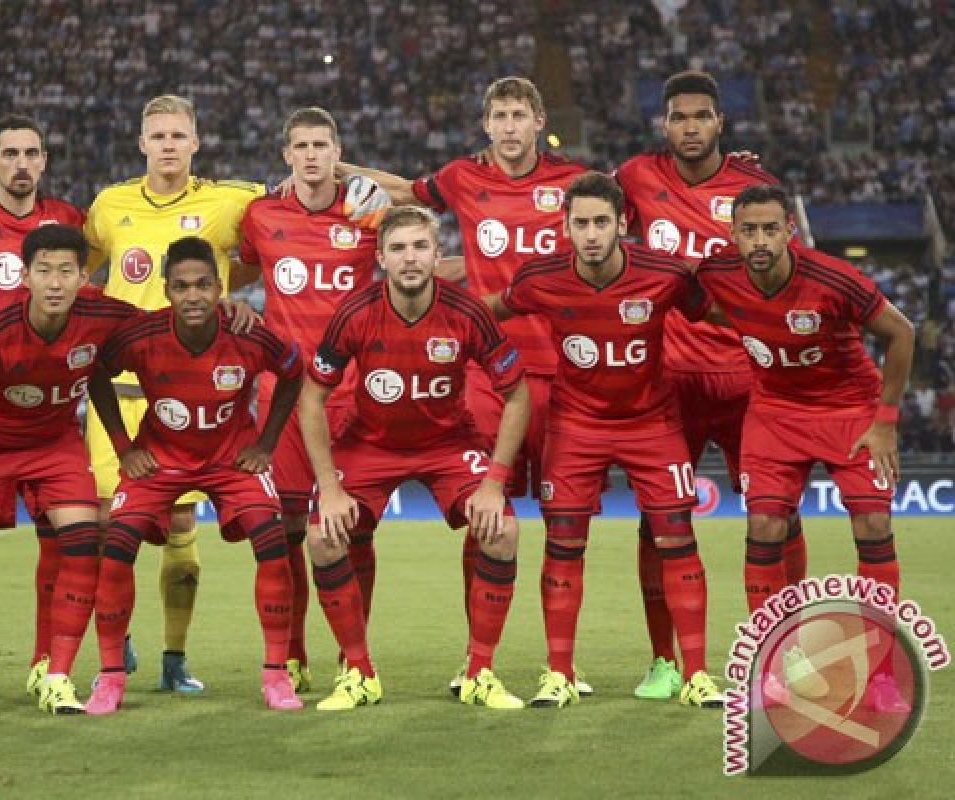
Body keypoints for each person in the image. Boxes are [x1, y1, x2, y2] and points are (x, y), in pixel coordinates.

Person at [82, 95, 387, 692]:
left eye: (179, 135)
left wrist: (224, 299)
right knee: (101, 526)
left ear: (196, 143)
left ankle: (174, 661)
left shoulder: (233, 201)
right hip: (122, 389)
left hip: (201, 390)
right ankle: (114, 650)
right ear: (142, 143)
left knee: (181, 526)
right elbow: (71, 266)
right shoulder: (107, 206)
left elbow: (282, 231)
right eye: (158, 135)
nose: (168, 145)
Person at [336, 77, 592, 694]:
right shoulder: (460, 178)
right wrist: (330, 166)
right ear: (485, 124)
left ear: (538, 121)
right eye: (498, 115)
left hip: (565, 370)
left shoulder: (574, 183)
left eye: (518, 115)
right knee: (485, 514)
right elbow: (401, 194)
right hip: (485, 370)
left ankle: (562, 664)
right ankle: (478, 662)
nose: (508, 126)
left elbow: (623, 216)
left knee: (565, 525)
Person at [483, 172, 723, 709]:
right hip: (575, 427)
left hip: (653, 425)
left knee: (676, 539)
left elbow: (717, 311)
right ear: (565, 227)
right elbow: (488, 310)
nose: (590, 233)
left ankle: (698, 675)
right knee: (563, 543)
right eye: (579, 223)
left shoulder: (664, 274)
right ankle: (560, 674)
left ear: (622, 223)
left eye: (600, 222)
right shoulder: (540, 277)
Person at [303, 205, 530, 711]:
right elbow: (312, 395)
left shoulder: (467, 311)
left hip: (448, 443)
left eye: (420, 246)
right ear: (381, 257)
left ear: (436, 254)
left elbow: (516, 394)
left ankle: (479, 671)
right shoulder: (355, 312)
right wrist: (330, 487)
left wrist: (494, 482)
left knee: (503, 529)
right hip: (370, 443)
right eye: (399, 248)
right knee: (323, 535)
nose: (410, 258)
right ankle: (358, 673)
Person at [696, 184, 914, 712]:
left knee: (873, 527)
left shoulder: (834, 278)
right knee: (765, 527)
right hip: (774, 412)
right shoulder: (715, 275)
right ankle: (769, 668)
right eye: (749, 230)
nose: (760, 239)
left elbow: (901, 332)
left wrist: (885, 422)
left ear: (789, 232)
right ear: (733, 235)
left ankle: (882, 673)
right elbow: (698, 303)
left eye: (771, 228)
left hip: (850, 409)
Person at [614, 70, 786, 700]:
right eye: (679, 116)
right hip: (669, 384)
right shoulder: (635, 177)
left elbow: (797, 270)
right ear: (665, 124)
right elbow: (573, 205)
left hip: (750, 379)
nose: (690, 127)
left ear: (721, 123)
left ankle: (777, 654)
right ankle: (664, 661)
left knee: (773, 518)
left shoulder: (755, 187)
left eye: (702, 116)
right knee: (657, 523)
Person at [0, 224, 138, 718]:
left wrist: (233, 313)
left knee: (84, 540)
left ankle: (56, 676)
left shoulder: (102, 313)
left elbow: (164, 326)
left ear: (85, 275)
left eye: (66, 271)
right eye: (44, 271)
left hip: (52, 442)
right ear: (25, 276)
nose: (55, 282)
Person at [84, 236, 304, 713]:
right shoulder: (142, 335)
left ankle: (275, 676)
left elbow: (294, 370)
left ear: (219, 286)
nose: (193, 296)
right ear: (166, 291)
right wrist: (124, 448)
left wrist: (265, 444)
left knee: (272, 539)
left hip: (230, 458)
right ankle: (109, 677)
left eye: (203, 285)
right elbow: (97, 372)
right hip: (160, 457)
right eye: (181, 287)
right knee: (117, 544)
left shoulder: (249, 333)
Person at [236, 106, 380, 692]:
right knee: (283, 531)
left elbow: (413, 248)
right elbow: (231, 269)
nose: (313, 154)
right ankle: (291, 654)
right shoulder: (261, 215)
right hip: (285, 397)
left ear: (337, 150)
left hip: (356, 394)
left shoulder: (370, 211)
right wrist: (232, 305)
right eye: (303, 145)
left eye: (323, 144)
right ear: (287, 155)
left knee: (355, 529)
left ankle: (355, 656)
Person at [0, 114, 86, 702]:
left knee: (62, 538)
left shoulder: (70, 219)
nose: (21, 164)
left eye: (32, 153)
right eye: (10, 154)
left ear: (44, 161)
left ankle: (44, 661)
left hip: (50, 411)